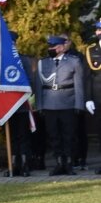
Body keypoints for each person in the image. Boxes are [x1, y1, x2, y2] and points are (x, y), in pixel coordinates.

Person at [35, 34, 84, 175]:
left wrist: (79, 105)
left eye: (54, 47)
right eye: (50, 47)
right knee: (54, 135)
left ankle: (68, 163)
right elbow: (38, 86)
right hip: (49, 104)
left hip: (68, 103)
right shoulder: (42, 63)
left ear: (62, 47)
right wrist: (39, 105)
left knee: (68, 135)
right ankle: (58, 163)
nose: (51, 49)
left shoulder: (74, 62)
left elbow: (79, 85)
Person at [3, 31, 34, 176]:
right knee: (12, 137)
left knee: (23, 136)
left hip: (21, 104)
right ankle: (13, 164)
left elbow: (31, 81)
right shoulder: (0, 61)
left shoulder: (24, 60)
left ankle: (25, 165)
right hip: (7, 106)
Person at [61, 33, 90, 170]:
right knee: (66, 132)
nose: (64, 44)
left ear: (70, 42)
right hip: (62, 100)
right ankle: (69, 158)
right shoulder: (53, 57)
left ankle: (81, 158)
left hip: (76, 97)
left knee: (79, 130)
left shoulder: (78, 56)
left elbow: (83, 78)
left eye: (65, 41)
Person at [85, 21, 101, 174]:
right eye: (98, 30)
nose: (99, 32)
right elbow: (88, 76)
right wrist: (88, 98)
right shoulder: (91, 51)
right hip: (98, 97)